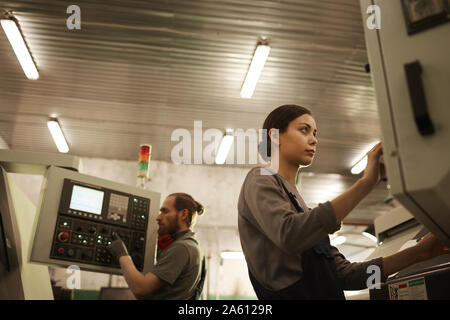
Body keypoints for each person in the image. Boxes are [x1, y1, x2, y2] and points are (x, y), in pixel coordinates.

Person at [237, 104, 449, 300]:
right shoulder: (260, 178)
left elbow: (348, 277)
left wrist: (419, 253)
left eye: (315, 133)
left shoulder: (303, 212)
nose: (314, 139)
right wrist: (366, 184)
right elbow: (290, 235)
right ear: (275, 137)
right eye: (304, 130)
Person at [107, 192, 206, 300]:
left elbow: (141, 289)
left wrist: (122, 254)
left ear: (183, 214)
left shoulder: (181, 248)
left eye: (165, 211)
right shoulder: (194, 246)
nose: (158, 217)